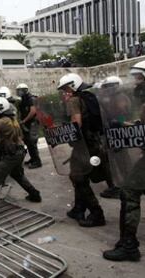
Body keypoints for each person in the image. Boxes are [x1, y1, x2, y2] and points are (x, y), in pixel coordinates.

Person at [103, 61, 145, 262]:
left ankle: (129, 246)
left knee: (129, 192)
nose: (136, 82)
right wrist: (131, 125)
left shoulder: (121, 98)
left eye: (139, 78)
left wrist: (121, 123)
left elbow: (123, 113)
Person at [57, 73, 106, 227]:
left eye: (66, 88)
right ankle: (79, 208)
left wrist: (64, 135)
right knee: (79, 176)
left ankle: (96, 213)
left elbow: (76, 122)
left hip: (82, 145)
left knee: (78, 177)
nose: (65, 92)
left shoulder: (74, 100)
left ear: (73, 86)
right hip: (93, 142)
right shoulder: (88, 97)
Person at [96, 76, 126, 199]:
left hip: (117, 133)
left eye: (110, 87)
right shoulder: (112, 98)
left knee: (120, 160)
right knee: (116, 160)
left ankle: (120, 187)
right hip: (113, 132)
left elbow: (123, 115)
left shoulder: (120, 98)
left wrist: (117, 121)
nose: (107, 89)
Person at [17, 83, 42, 169]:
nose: (18, 92)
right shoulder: (23, 99)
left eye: (20, 90)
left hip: (33, 123)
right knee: (28, 141)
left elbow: (33, 111)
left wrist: (24, 120)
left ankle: (37, 162)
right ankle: (33, 158)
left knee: (32, 141)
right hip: (27, 123)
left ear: (24, 90)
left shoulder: (30, 98)